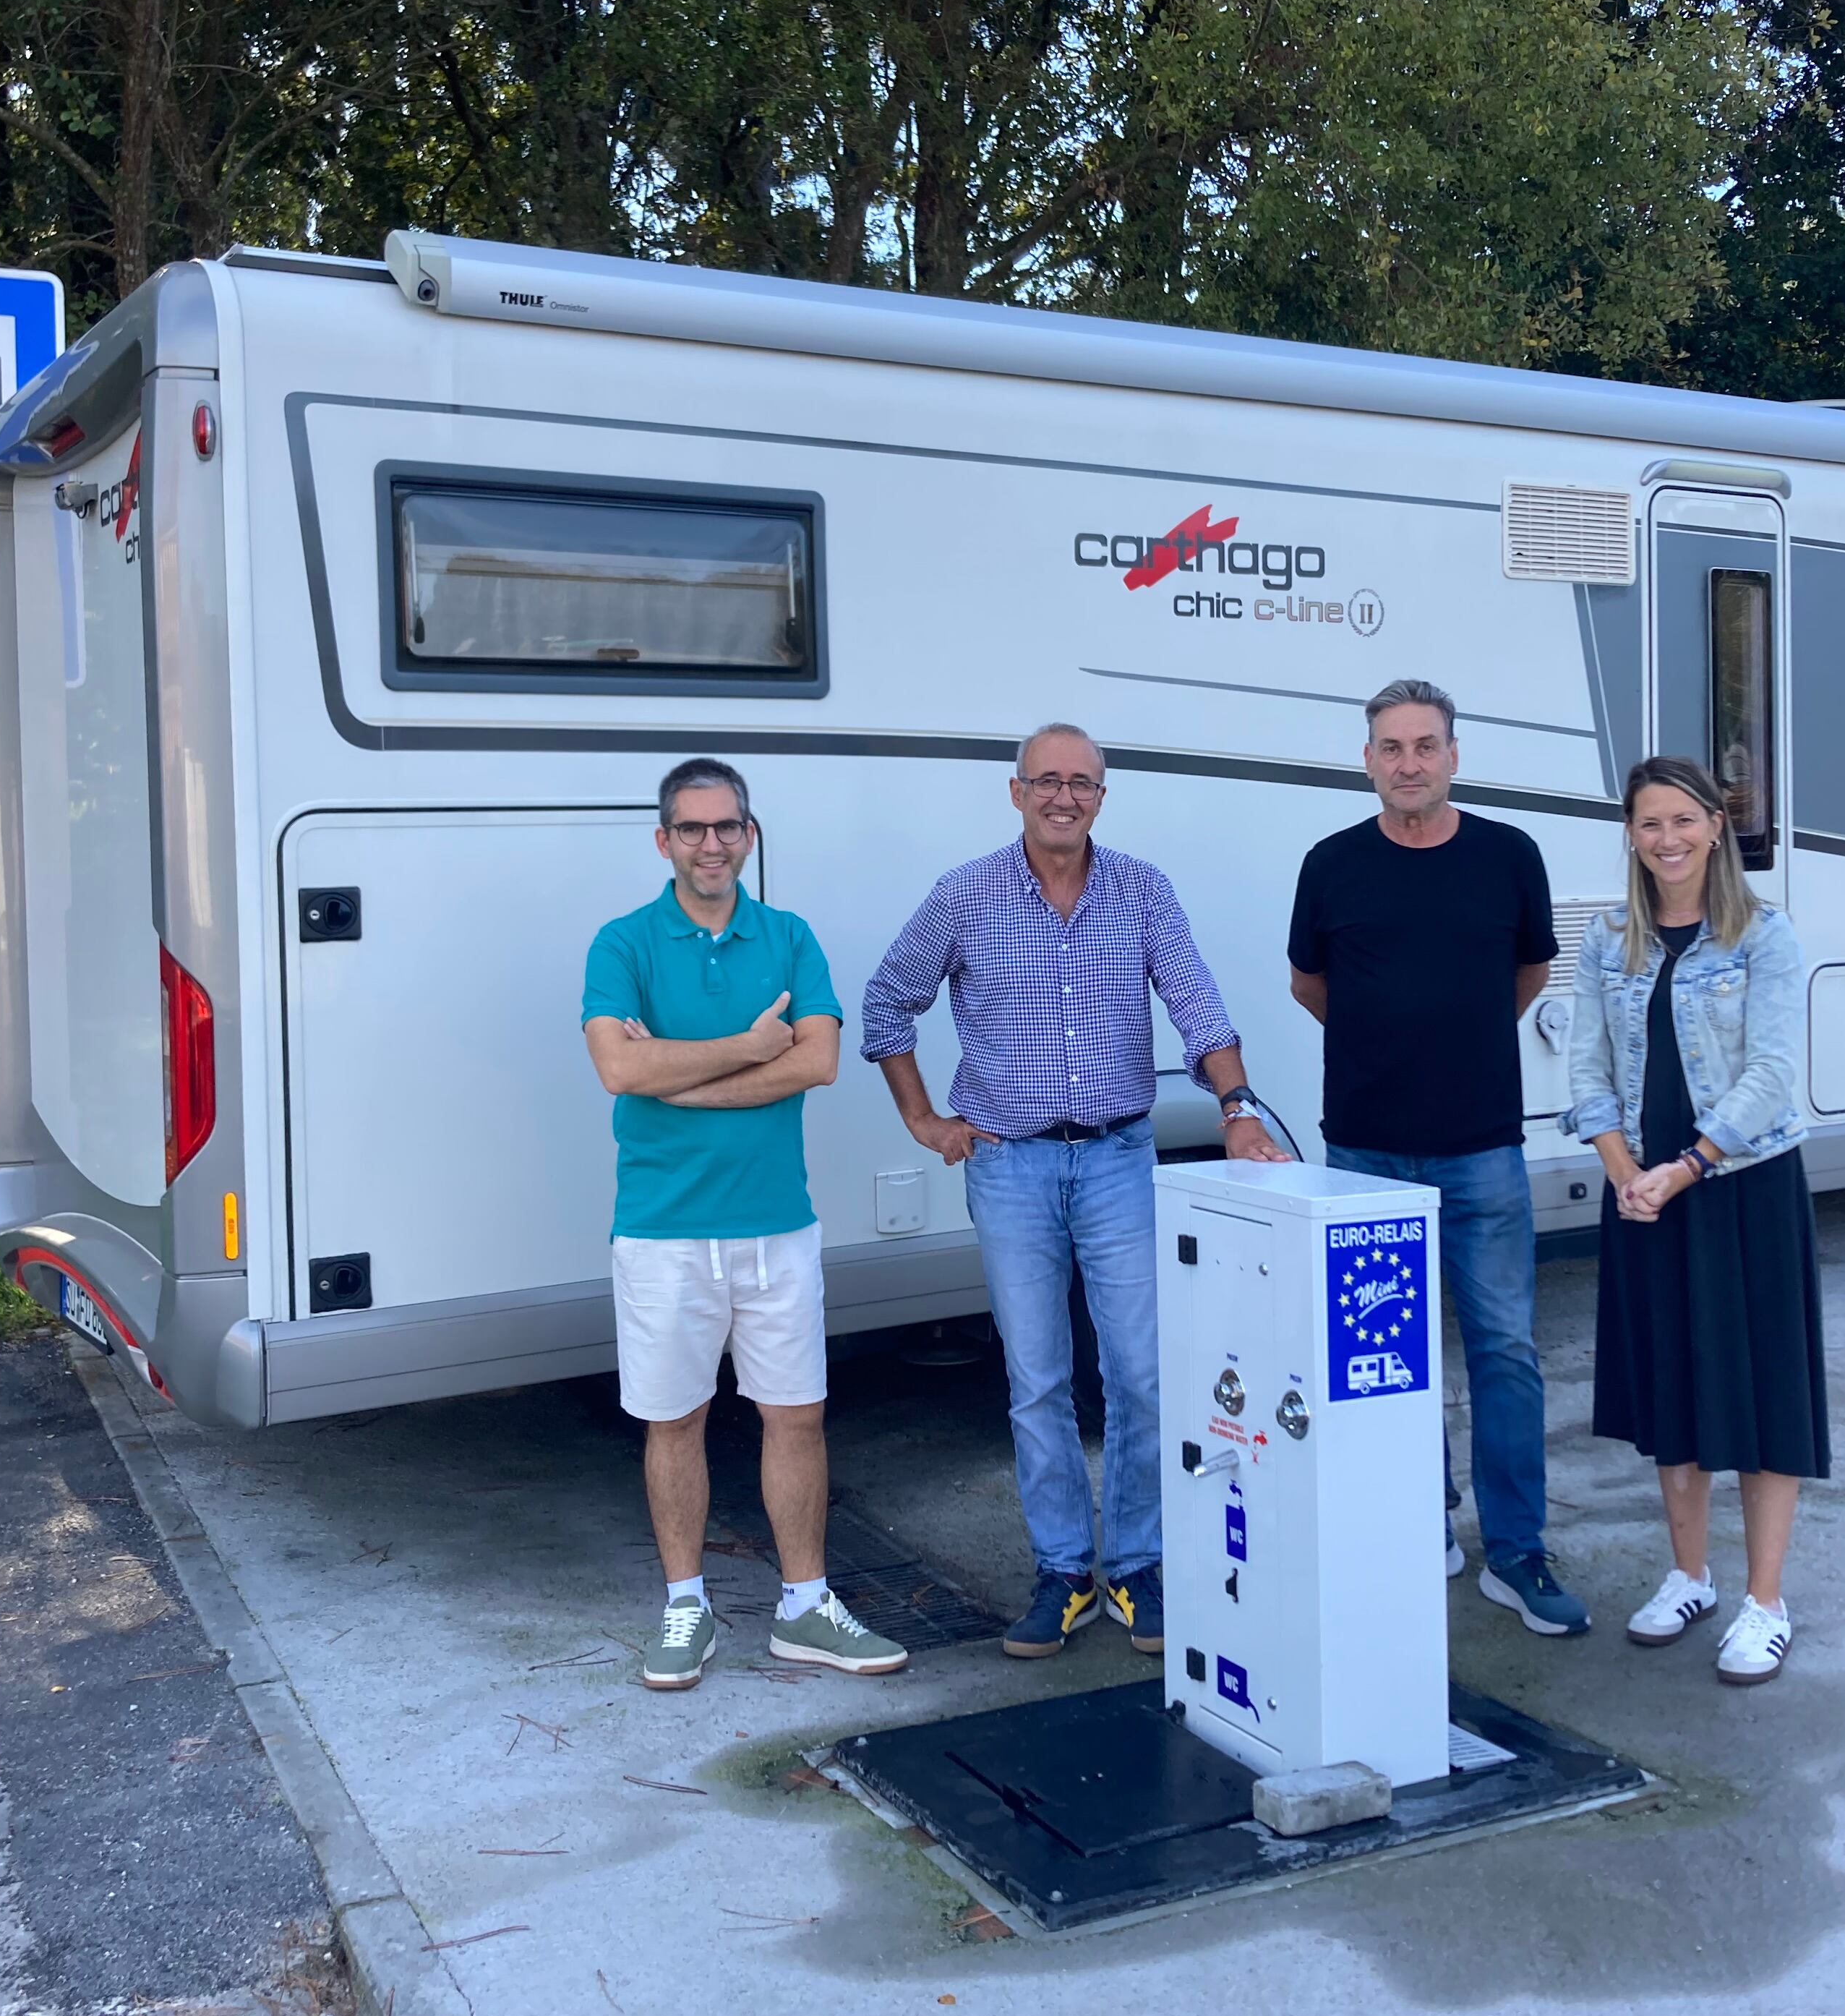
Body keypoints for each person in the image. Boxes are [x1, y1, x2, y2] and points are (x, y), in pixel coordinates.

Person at [863, 722, 1290, 1660]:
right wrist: (923, 1121)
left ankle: (1134, 1568)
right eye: (1046, 781)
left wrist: (1239, 1108)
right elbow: (887, 1001)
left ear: (1103, 796)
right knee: (1037, 1380)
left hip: (1114, 1162)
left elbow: (1197, 1005)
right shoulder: (965, 895)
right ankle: (1063, 1573)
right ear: (1015, 792)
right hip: (1009, 1166)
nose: (1065, 797)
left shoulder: (1142, 891)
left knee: (1140, 1375)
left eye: (1082, 784)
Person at [581, 756, 908, 1689]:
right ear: (664, 841)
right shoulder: (623, 943)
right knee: (673, 1422)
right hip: (662, 1229)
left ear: (749, 835)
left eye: (727, 827)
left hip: (777, 1226)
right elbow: (619, 1073)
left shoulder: (790, 937)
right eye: (692, 829)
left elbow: (821, 1063)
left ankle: (806, 1609)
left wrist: (685, 1074)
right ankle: (687, 1607)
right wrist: (753, 1048)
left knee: (795, 1418)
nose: (712, 845)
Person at [1287, 679, 1588, 1635]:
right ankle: (1418, 1527)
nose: (1409, 763)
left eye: (1425, 745)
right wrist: (1394, 1043)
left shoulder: (1509, 856)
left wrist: (1450, 1042)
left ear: (1454, 755)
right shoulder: (1332, 864)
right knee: (1386, 1355)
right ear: (1367, 760)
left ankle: (1516, 1551)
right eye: (1391, 747)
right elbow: (1310, 984)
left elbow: (1530, 974)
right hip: (1364, 1153)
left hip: (1482, 1151)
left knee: (1504, 1349)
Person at [1564, 754, 1825, 1687]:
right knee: (1673, 1392)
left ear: (1717, 825)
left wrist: (1685, 1168)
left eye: (1683, 820)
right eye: (1649, 824)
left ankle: (1765, 1600)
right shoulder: (1607, 939)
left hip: (1740, 1186)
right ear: (1631, 837)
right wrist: (1625, 1172)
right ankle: (1688, 1576)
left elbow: (1770, 1074)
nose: (1667, 839)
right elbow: (1585, 1066)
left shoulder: (1764, 935)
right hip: (1643, 1192)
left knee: (1759, 1393)